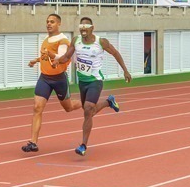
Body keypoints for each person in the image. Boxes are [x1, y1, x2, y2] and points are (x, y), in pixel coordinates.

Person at [53, 17, 132, 156]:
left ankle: (83, 145)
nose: (83, 29)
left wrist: (125, 70)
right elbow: (66, 57)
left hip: (95, 81)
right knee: (88, 111)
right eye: (81, 27)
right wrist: (57, 61)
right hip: (82, 82)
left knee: (88, 108)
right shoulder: (76, 41)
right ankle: (108, 102)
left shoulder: (101, 42)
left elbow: (115, 53)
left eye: (86, 27)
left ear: (92, 28)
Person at [22, 14, 82, 153]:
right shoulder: (46, 40)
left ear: (59, 24)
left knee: (69, 107)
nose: (49, 24)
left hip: (59, 79)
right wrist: (36, 60)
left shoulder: (63, 40)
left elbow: (62, 57)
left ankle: (85, 102)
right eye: (47, 21)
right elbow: (46, 56)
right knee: (37, 107)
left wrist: (51, 55)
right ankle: (33, 142)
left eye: (52, 22)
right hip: (44, 78)